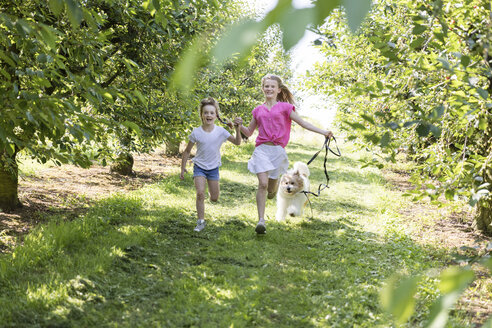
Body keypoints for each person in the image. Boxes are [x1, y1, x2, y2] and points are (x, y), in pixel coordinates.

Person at [239, 74, 333, 234]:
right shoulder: (257, 110)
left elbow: (303, 123)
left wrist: (323, 132)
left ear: (278, 90)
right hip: (261, 149)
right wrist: (238, 126)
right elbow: (248, 132)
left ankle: (272, 190)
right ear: (262, 88)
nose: (269, 89)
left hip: (278, 152)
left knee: (270, 189)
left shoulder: (285, 108)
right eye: (266, 86)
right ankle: (261, 221)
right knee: (262, 184)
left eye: (272, 86)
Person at [180, 97, 242, 232]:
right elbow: (187, 151)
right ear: (201, 115)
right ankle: (200, 221)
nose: (208, 115)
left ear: (216, 115)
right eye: (206, 112)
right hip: (199, 167)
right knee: (200, 193)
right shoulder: (196, 132)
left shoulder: (221, 131)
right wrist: (182, 168)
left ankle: (211, 192)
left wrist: (237, 129)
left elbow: (237, 142)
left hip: (213, 168)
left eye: (211, 113)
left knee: (214, 198)